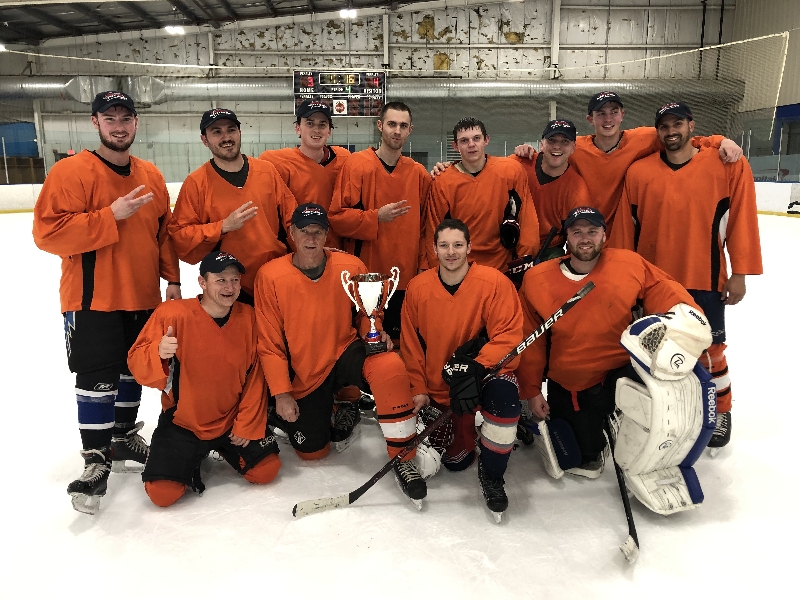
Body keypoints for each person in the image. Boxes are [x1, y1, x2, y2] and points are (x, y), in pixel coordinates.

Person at [32, 90, 182, 514]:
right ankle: (96, 457)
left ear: (136, 122)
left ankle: (122, 436)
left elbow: (163, 235)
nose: (119, 126)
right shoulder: (70, 172)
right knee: (97, 377)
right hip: (91, 298)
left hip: (143, 295)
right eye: (109, 118)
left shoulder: (151, 175)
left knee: (134, 368)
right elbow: (47, 234)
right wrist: (108, 216)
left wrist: (172, 278)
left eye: (125, 118)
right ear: (95, 122)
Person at [609, 102, 763, 451]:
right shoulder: (639, 172)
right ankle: (664, 412)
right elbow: (625, 232)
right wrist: (622, 281)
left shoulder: (724, 164)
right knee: (653, 349)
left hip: (705, 276)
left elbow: (741, 219)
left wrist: (740, 273)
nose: (671, 132)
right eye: (664, 126)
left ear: (692, 126)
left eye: (677, 124)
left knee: (711, 350)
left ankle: (721, 410)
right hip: (654, 283)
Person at [254, 203, 428, 507]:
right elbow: (269, 343)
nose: (311, 238)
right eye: (304, 231)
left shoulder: (350, 266)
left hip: (343, 350)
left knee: (387, 363)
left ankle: (404, 456)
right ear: (292, 233)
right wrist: (282, 393)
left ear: (326, 235)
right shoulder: (270, 276)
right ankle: (316, 409)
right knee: (313, 453)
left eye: (317, 231)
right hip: (305, 370)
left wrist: (375, 331)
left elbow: (366, 313)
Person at [516, 206, 703, 478]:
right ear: (567, 237)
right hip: (574, 379)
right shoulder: (537, 279)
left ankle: (630, 424)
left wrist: (686, 312)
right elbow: (530, 340)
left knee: (664, 398)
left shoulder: (628, 264)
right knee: (581, 461)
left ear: (604, 235)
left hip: (623, 368)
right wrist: (532, 391)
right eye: (577, 232)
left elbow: (661, 287)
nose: (585, 239)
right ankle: (596, 430)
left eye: (592, 231)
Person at [128, 251, 279, 507]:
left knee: (266, 471)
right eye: (220, 280)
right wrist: (157, 352)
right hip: (184, 423)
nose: (229, 287)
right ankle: (188, 456)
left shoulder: (249, 317)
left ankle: (218, 448)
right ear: (202, 282)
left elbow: (256, 375)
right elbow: (135, 361)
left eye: (234, 280)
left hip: (231, 420)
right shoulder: (172, 314)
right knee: (162, 494)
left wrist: (246, 424)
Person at [401, 219, 524, 522]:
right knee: (457, 461)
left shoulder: (494, 283)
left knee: (506, 397)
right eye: (444, 245)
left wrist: (477, 367)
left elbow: (509, 336)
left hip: (483, 376)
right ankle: (473, 435)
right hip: (441, 388)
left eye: (458, 245)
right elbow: (411, 345)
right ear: (434, 249)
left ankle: (492, 474)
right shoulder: (418, 288)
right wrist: (418, 389)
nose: (451, 252)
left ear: (470, 247)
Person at [514, 91, 743, 235]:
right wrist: (527, 150)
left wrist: (720, 140)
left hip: (626, 233)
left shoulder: (643, 138)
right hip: (586, 232)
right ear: (590, 119)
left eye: (613, 112)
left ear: (622, 114)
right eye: (601, 114)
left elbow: (682, 139)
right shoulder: (575, 147)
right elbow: (551, 154)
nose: (608, 119)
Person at [168, 108, 297, 305]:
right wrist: (222, 227)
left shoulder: (267, 171)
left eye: (231, 130)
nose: (226, 137)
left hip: (275, 277)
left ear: (239, 133)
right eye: (217, 132)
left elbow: (292, 219)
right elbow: (180, 236)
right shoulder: (196, 183)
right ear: (204, 140)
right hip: (229, 285)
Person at [328, 101, 431, 340]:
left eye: (403, 126)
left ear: (410, 130)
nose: (397, 131)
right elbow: (337, 217)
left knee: (400, 344)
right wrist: (375, 217)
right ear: (380, 126)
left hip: (405, 278)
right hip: (367, 277)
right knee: (368, 343)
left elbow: (427, 226)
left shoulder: (418, 173)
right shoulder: (357, 165)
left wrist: (423, 266)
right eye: (392, 124)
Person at [426, 117, 539, 276]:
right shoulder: (442, 181)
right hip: (460, 269)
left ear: (486, 140)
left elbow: (527, 219)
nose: (471, 144)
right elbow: (434, 230)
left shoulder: (511, 171)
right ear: (455, 146)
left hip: (503, 267)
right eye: (464, 140)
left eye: (476, 138)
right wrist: (439, 272)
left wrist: (524, 261)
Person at [259, 100, 351, 249]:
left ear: (329, 131)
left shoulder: (345, 159)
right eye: (310, 123)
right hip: (298, 249)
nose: (316, 130)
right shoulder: (276, 162)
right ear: (298, 128)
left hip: (338, 248)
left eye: (322, 125)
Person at [509, 119, 591, 261]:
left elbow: (578, 237)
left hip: (548, 250)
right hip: (509, 239)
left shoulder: (578, 191)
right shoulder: (519, 164)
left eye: (565, 141)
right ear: (542, 144)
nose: (557, 146)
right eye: (552, 140)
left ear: (573, 148)